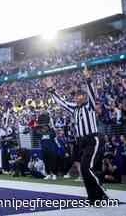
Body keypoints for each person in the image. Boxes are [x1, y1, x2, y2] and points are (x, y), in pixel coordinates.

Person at [42, 66, 109, 205]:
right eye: (76, 95)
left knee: (86, 168)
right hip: (82, 142)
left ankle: (101, 193)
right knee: (85, 171)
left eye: (80, 95)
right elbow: (61, 102)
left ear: (84, 97)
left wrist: (88, 78)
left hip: (93, 139)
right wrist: (51, 89)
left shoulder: (89, 105)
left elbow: (92, 93)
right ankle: (93, 198)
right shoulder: (74, 108)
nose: (78, 97)